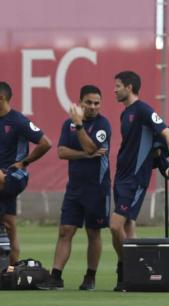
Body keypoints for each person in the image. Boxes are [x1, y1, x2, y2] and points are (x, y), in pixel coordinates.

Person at [111, 71, 169, 291]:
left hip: (134, 179)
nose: (115, 89)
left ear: (129, 87)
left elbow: (168, 135)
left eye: (118, 86)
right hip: (121, 176)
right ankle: (135, 277)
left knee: (114, 226)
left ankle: (129, 269)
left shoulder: (143, 110)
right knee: (129, 227)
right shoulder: (125, 114)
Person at [38, 85, 111, 291]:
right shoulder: (67, 124)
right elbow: (61, 152)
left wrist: (79, 126)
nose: (93, 107)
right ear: (80, 103)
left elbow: (91, 146)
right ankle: (56, 276)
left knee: (93, 232)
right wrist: (85, 154)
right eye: (88, 102)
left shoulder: (103, 124)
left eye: (97, 103)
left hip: (97, 188)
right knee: (65, 230)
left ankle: (90, 276)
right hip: (75, 188)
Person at [0, 81, 52, 266]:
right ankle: (12, 271)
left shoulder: (18, 120)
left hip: (16, 175)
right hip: (0, 176)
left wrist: (24, 162)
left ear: (1, 98)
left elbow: (46, 143)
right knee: (10, 225)